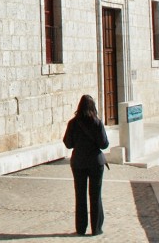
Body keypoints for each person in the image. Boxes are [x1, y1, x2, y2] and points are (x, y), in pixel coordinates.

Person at [63, 94, 109, 236]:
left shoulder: (72, 123)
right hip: (95, 162)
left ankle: (81, 228)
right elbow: (104, 144)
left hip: (79, 162)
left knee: (80, 195)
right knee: (96, 195)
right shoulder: (97, 123)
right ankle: (96, 228)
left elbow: (68, 143)